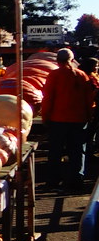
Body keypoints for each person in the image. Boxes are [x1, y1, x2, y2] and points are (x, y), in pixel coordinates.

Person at [40, 48, 96, 192]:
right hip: (79, 119)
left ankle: (53, 181)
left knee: (55, 152)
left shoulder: (54, 75)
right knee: (77, 151)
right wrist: (89, 116)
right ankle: (76, 181)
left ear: (57, 61)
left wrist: (45, 117)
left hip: (58, 119)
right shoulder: (82, 75)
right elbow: (89, 99)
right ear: (72, 60)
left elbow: (48, 99)